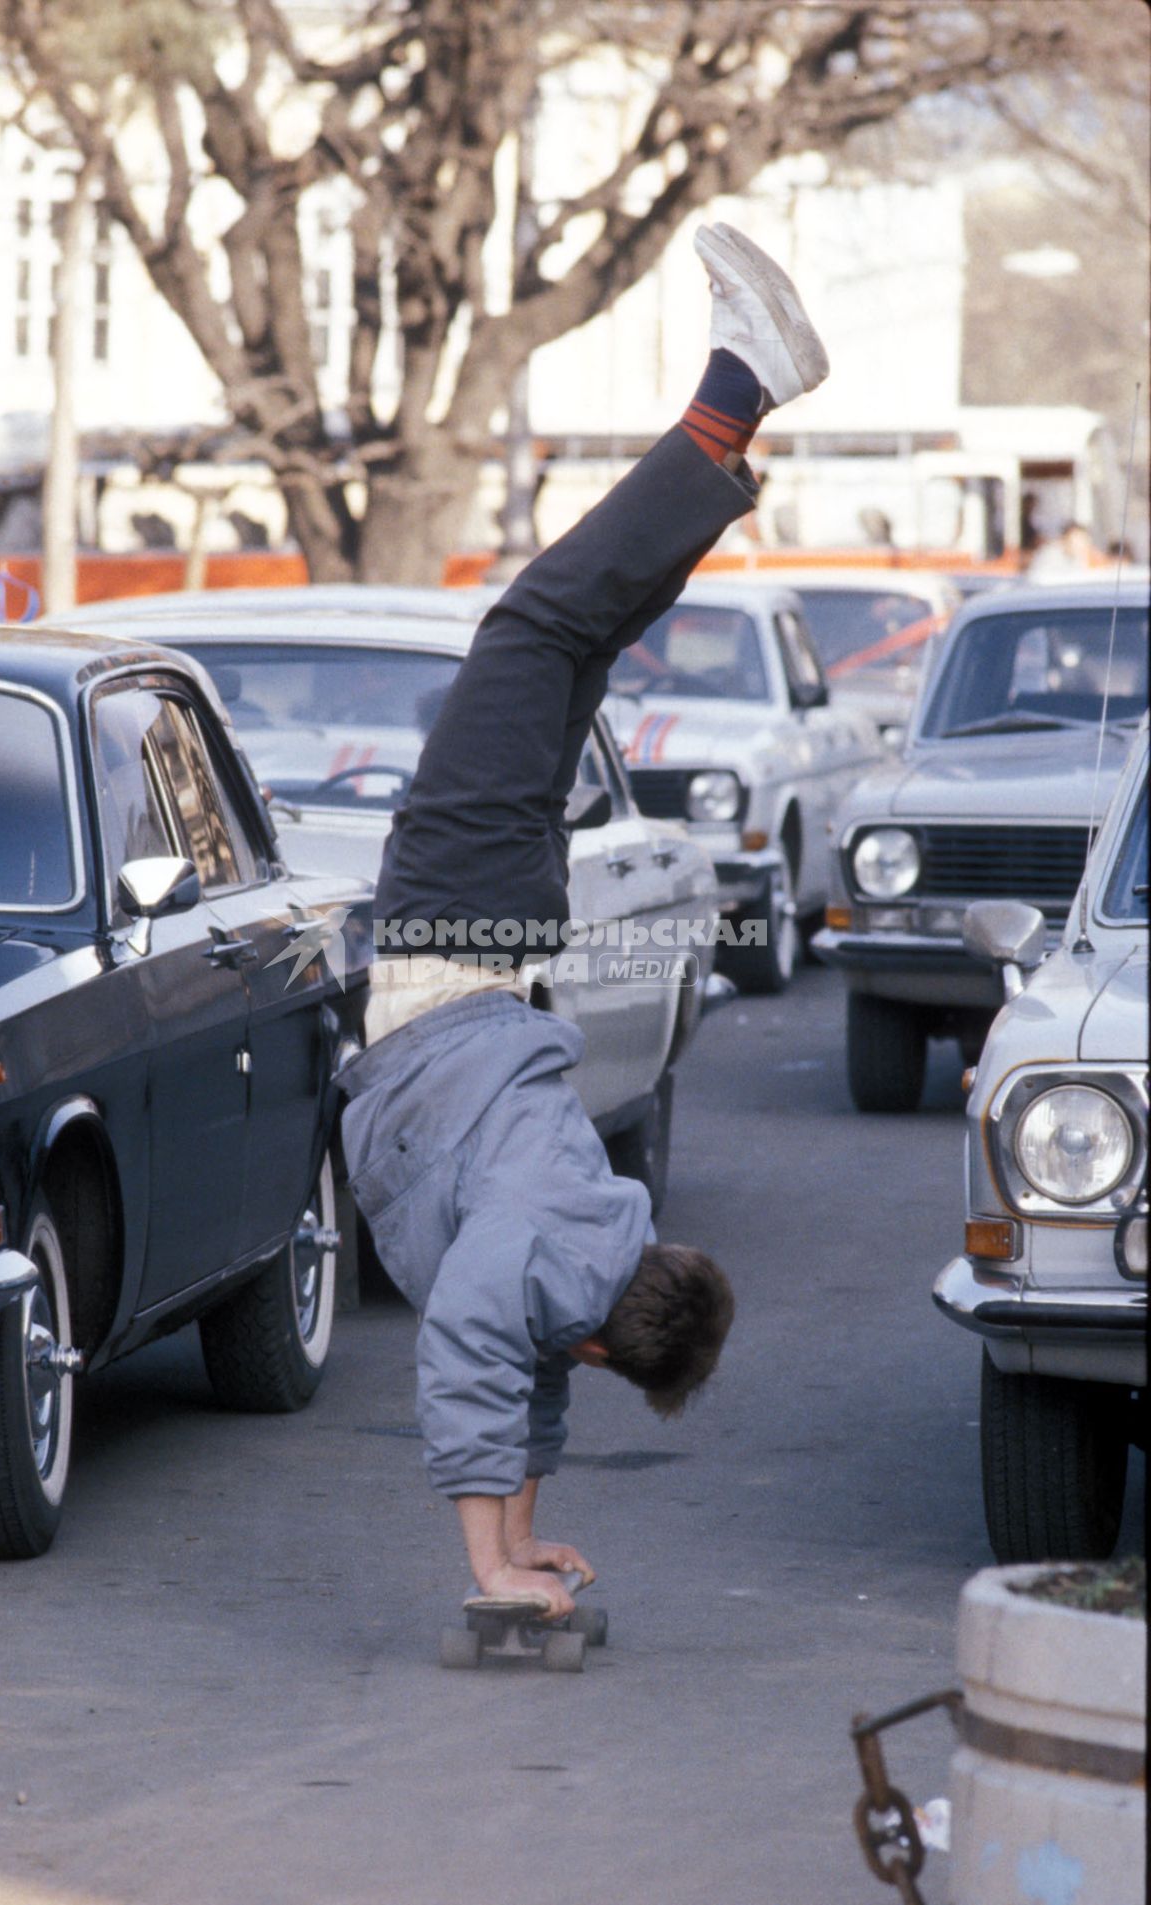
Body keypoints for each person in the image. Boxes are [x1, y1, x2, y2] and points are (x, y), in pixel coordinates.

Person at [338, 222, 830, 1620]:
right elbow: (480, 1357)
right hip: (457, 934)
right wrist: (492, 1561)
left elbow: (514, 1376)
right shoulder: (545, 1256)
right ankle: (735, 392)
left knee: (564, 636)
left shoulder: (577, 1254)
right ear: (617, 1345)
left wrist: (522, 1548)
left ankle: (730, 431)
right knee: (532, 632)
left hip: (483, 945)